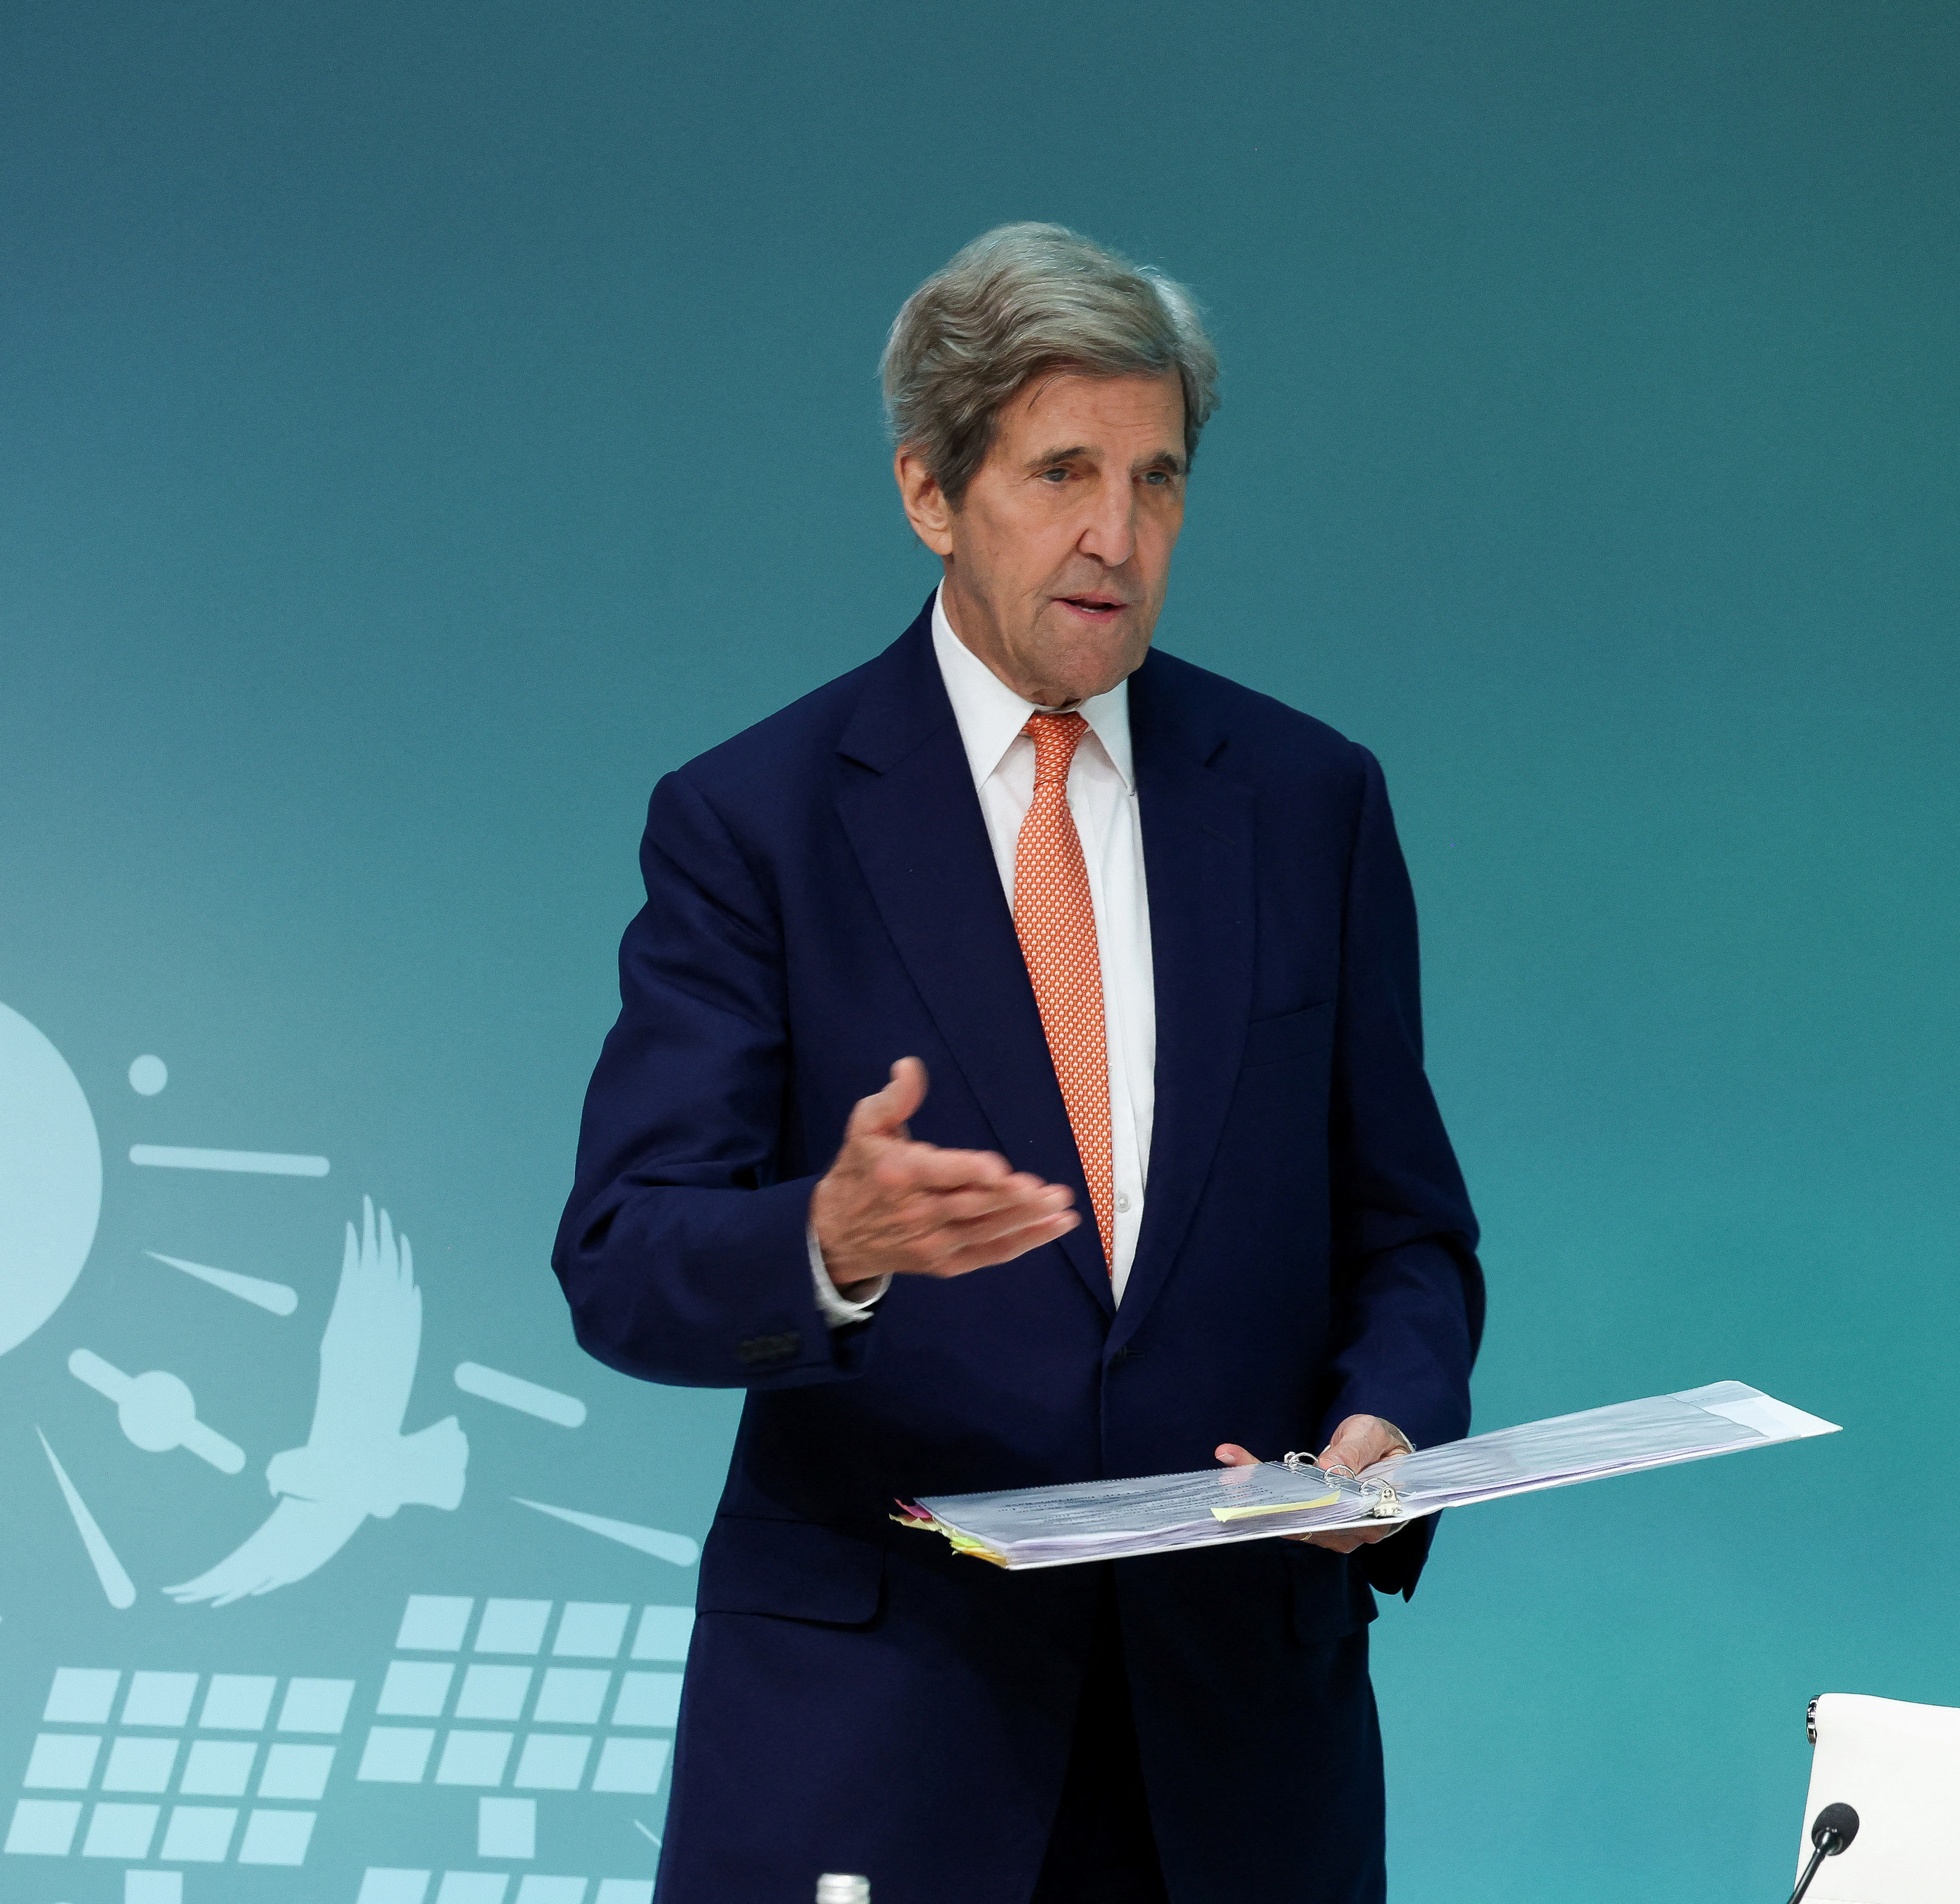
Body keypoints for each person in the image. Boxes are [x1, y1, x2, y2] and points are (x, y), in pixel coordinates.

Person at [553, 222, 1484, 1903]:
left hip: (1236, 1758)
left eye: (1156, 478)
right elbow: (622, 1266)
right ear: (930, 492)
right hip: (884, 1742)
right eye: (1061, 471)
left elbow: (1405, 1233)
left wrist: (1381, 1437)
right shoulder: (753, 821)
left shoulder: (1304, 800)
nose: (1114, 536)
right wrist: (824, 1248)